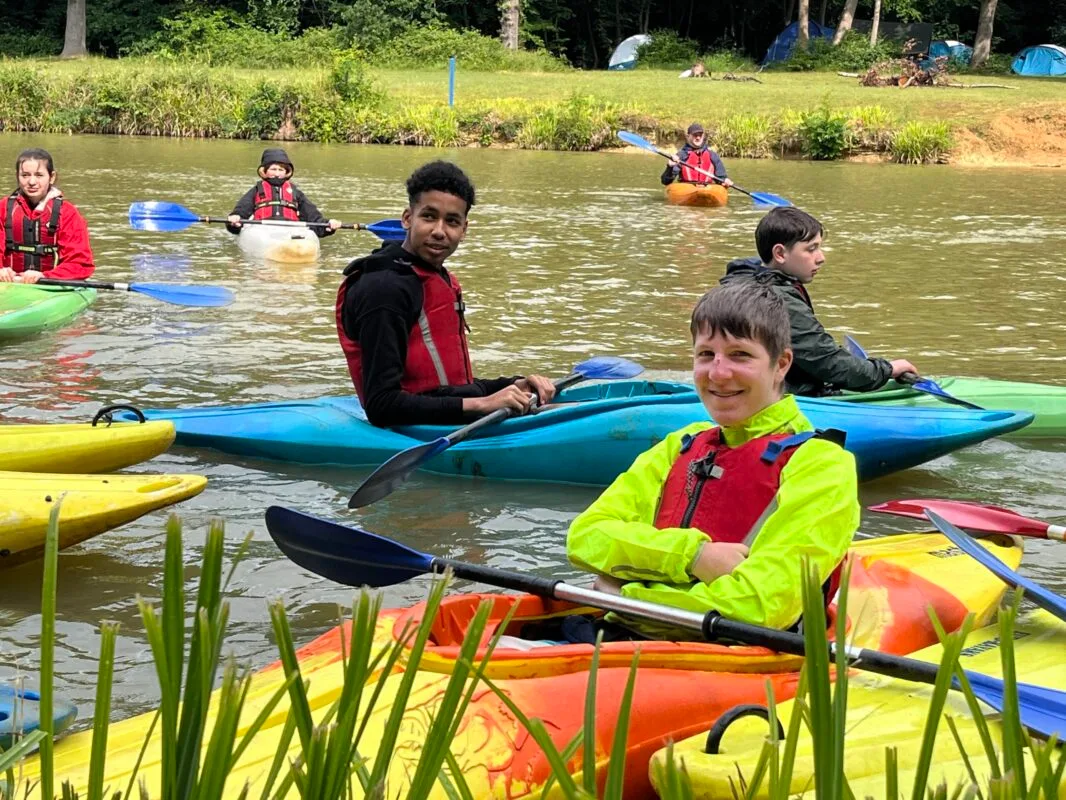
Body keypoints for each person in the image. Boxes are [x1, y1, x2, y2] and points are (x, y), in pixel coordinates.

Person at [566, 282, 858, 638]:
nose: (718, 373)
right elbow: (585, 538)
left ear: (781, 364)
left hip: (731, 658)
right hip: (626, 631)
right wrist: (693, 556)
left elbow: (759, 606)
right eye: (706, 354)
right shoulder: (680, 446)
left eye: (739, 355)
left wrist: (624, 596)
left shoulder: (823, 464)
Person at [336, 160, 556, 428]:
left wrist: (512, 384)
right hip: (408, 429)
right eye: (429, 216)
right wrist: (482, 404)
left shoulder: (432, 274)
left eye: (452, 221)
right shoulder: (384, 289)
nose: (439, 231)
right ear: (408, 218)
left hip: (442, 416)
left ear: (464, 230)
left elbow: (448, 388)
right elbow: (381, 406)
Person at [721, 206, 919, 397]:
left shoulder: (748, 280)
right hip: (777, 395)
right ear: (780, 254)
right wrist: (887, 369)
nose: (821, 258)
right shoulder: (773, 298)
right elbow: (826, 362)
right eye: (811, 249)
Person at [0, 148, 95, 283]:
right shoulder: (3, 208)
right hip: (9, 284)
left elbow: (80, 264)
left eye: (39, 175)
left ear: (52, 177)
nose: (32, 182)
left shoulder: (68, 213)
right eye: (25, 175)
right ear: (17, 176)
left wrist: (45, 276)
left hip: (50, 285)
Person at [226, 148, 340, 237]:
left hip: (291, 229)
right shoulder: (257, 190)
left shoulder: (295, 192)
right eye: (273, 169)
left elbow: (313, 216)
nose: (277, 173)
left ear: (286, 172)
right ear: (265, 172)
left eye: (281, 170)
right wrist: (236, 219)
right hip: (262, 229)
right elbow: (242, 209)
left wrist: (328, 225)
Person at [661, 123, 733, 188]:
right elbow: (665, 181)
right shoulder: (681, 156)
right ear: (688, 136)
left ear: (703, 136)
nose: (698, 138)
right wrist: (670, 167)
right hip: (687, 188)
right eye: (695, 135)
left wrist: (725, 181)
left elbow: (721, 178)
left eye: (700, 135)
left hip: (708, 188)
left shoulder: (712, 156)